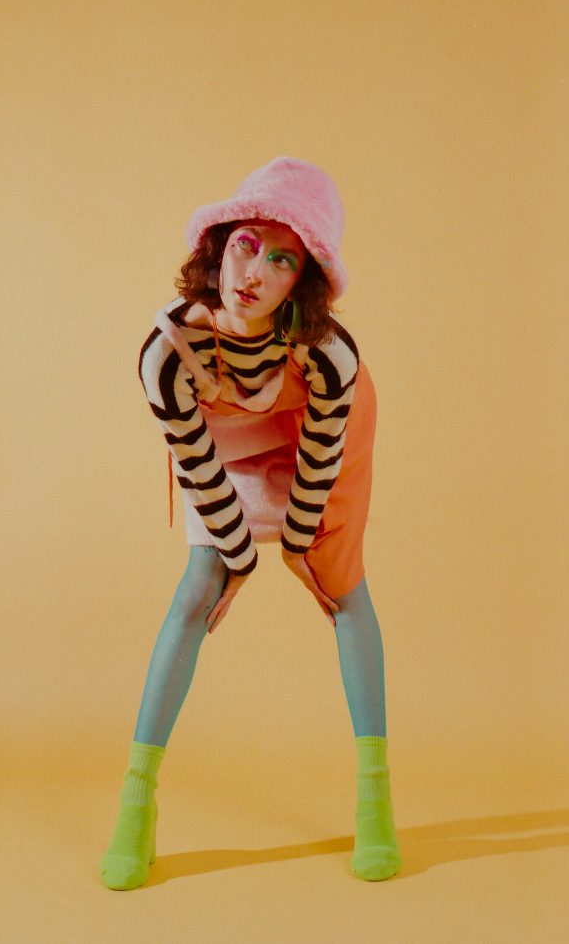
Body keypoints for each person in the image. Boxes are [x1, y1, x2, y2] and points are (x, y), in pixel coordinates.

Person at [100, 156, 401, 889]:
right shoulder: (165, 354)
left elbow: (323, 458)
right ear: (218, 247)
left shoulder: (330, 356)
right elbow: (199, 470)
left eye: (282, 259)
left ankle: (375, 798)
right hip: (225, 444)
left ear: (303, 283)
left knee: (343, 587)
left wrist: (301, 549)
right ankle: (136, 800)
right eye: (245, 245)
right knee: (197, 586)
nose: (255, 272)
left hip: (313, 440)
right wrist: (237, 558)